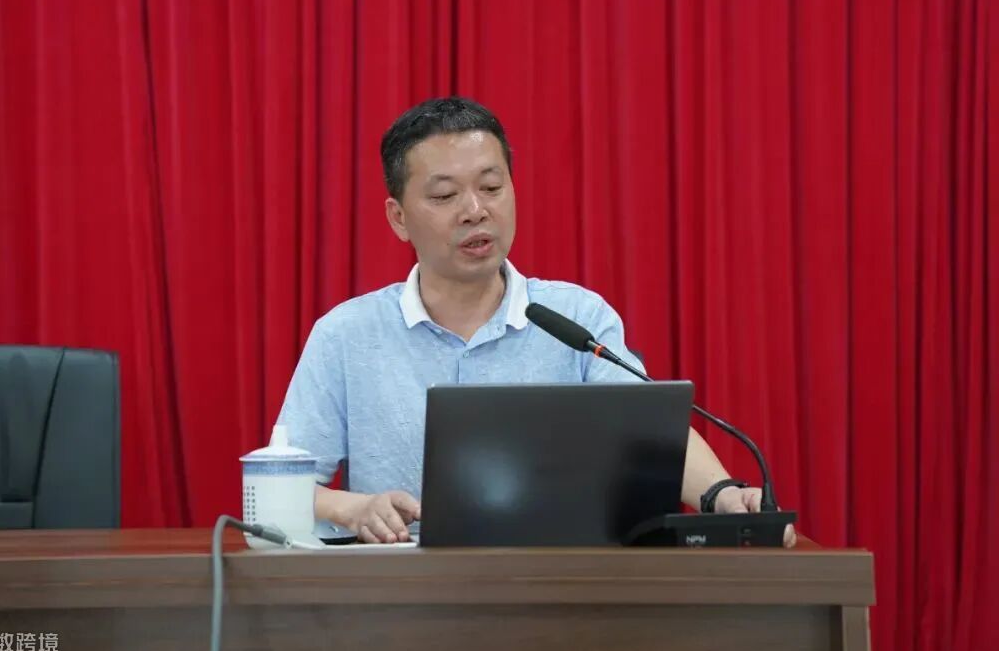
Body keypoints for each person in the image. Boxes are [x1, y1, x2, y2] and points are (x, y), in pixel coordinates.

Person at [275, 96, 796, 547]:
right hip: (399, 594)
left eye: (491, 187)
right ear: (398, 218)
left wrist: (722, 495)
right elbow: (279, 488)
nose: (475, 210)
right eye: (444, 196)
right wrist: (354, 509)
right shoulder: (346, 335)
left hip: (558, 587)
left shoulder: (576, 320)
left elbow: (653, 435)